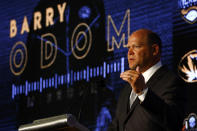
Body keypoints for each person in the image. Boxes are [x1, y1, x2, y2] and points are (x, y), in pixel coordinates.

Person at [107, 29, 186, 131]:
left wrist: (143, 91)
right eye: (128, 48)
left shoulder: (172, 82)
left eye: (136, 47)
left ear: (154, 50)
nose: (130, 52)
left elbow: (173, 122)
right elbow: (116, 126)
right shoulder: (127, 89)